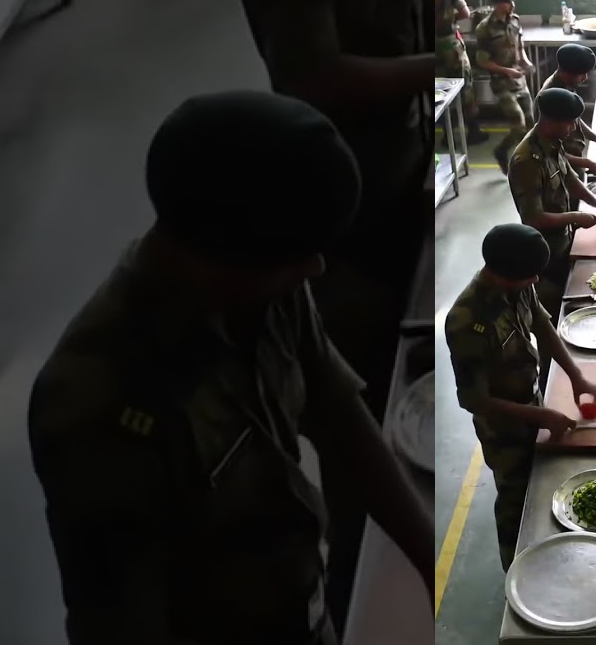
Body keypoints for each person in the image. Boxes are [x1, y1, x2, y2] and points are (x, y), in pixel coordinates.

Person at [28, 92, 436, 645]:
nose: (314, 268)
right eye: (297, 254)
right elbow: (120, 619)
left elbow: (339, 417)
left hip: (301, 608)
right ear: (215, 251)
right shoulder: (98, 403)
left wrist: (429, 555)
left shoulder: (261, 284)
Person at [225, 0, 433, 633]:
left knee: (402, 384)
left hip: (405, 176)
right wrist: (439, 65)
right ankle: (354, 595)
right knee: (364, 408)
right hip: (347, 210)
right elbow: (308, 74)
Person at [445, 223, 596, 571]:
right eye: (530, 276)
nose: (535, 282)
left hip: (530, 400)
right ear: (504, 273)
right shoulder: (468, 320)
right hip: (502, 428)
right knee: (514, 496)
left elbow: (543, 327)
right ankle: (515, 568)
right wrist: (541, 416)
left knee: (541, 481)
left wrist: (577, 377)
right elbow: (473, 399)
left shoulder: (515, 287)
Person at [508, 88, 596, 336]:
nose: (573, 128)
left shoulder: (552, 142)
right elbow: (534, 219)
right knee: (554, 318)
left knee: (573, 301)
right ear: (550, 121)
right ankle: (550, 369)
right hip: (544, 253)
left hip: (564, 240)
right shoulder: (527, 161)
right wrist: (576, 217)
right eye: (569, 122)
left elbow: (569, 177)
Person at [538, 43, 596, 181]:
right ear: (566, 72)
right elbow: (547, 152)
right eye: (582, 74)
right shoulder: (551, 100)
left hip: (573, 159)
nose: (585, 78)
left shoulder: (566, 85)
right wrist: (587, 163)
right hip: (558, 168)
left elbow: (576, 120)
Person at [477, 0, 535, 174]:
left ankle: (526, 161)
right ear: (497, 4)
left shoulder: (515, 21)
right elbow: (483, 62)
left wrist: (526, 63)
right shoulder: (484, 29)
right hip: (501, 83)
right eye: (508, 1)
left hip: (520, 81)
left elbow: (520, 48)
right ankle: (501, 152)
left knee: (530, 123)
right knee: (518, 124)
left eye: (513, 0)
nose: (512, 4)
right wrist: (508, 71)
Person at [436, 0, 489, 144]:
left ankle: (447, 136)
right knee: (465, 88)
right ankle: (473, 132)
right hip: (451, 46)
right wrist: (450, 19)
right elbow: (466, 13)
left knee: (440, 91)